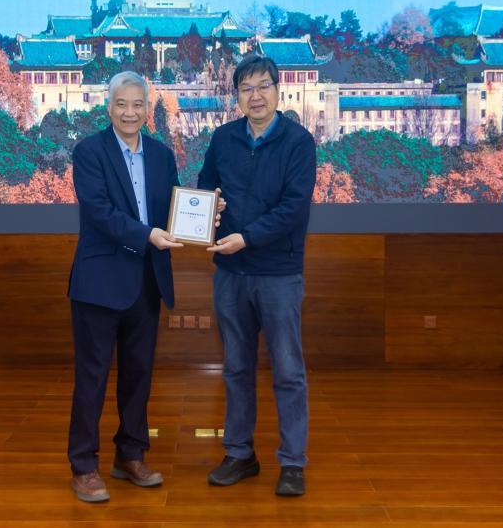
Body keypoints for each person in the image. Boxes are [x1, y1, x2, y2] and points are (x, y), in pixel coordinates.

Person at [199, 54, 317, 497]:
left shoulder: (298, 142)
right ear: (236, 96)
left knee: (288, 370)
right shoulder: (223, 138)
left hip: (278, 274)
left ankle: (292, 462)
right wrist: (209, 209)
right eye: (246, 89)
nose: (256, 96)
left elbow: (293, 209)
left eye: (263, 86)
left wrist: (246, 238)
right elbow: (205, 186)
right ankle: (239, 454)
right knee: (236, 367)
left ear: (278, 90)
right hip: (230, 272)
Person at [65, 70, 182, 503]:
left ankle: (130, 455)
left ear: (147, 108)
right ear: (108, 106)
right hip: (99, 283)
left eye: (137, 104)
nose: (129, 113)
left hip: (146, 281)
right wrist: (147, 234)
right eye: (121, 104)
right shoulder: (89, 152)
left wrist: (206, 213)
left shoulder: (162, 155)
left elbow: (173, 208)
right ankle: (83, 466)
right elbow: (99, 212)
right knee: (92, 377)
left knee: (139, 375)